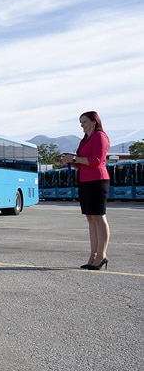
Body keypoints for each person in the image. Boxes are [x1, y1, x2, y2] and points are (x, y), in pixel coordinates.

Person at [61, 111, 111, 271]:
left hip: (98, 180)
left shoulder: (100, 137)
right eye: (80, 122)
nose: (82, 125)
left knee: (99, 217)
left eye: (84, 121)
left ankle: (102, 256)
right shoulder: (85, 140)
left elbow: (96, 161)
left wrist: (75, 159)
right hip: (85, 181)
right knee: (90, 218)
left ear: (94, 122)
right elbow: (83, 162)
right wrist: (70, 160)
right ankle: (93, 255)